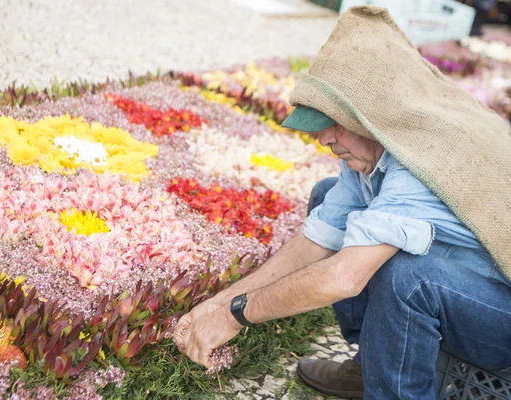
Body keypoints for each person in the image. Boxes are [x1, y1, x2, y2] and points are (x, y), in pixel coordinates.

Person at [173, 5, 511, 399]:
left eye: (334, 124)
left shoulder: (423, 167)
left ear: (373, 116)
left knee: (406, 277)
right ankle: (371, 365)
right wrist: (219, 303)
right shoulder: (377, 147)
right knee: (326, 198)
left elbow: (343, 277)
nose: (323, 139)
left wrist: (236, 316)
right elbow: (317, 240)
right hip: (472, 289)